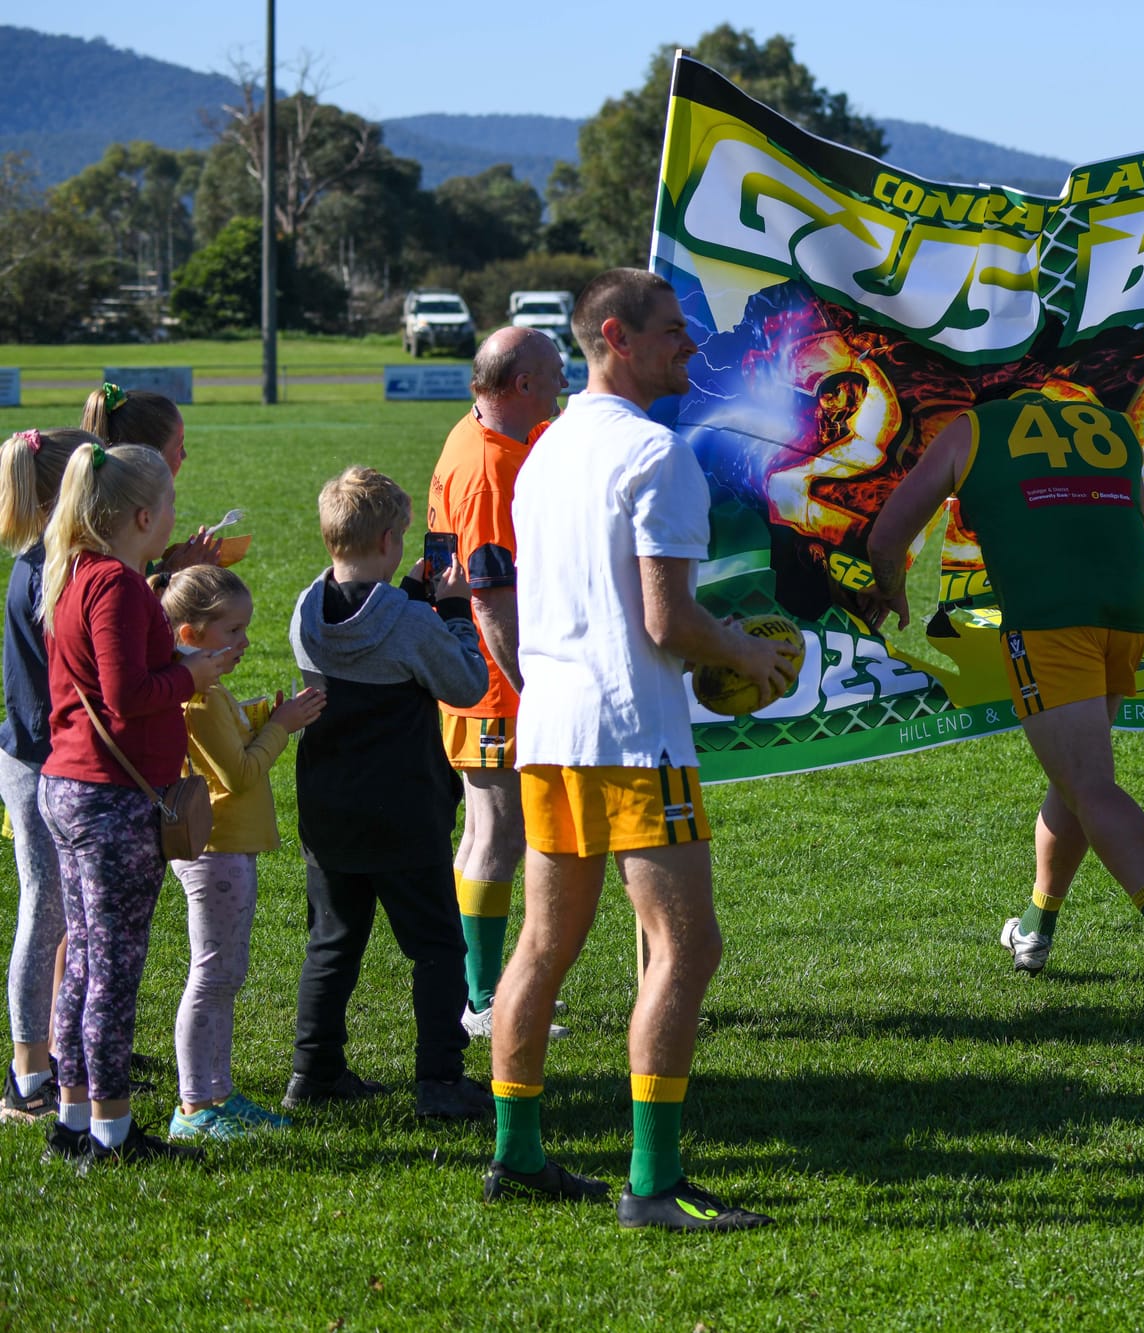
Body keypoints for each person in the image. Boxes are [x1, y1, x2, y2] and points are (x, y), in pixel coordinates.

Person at [485, 268, 795, 1230]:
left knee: (544, 943)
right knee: (686, 944)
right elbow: (667, 621)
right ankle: (652, 1186)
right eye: (671, 333)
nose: (689, 350)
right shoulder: (658, 455)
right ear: (614, 335)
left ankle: (518, 1156)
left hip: (548, 731)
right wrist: (747, 652)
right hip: (631, 735)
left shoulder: (542, 454)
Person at [864, 391, 1144, 1019]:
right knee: (1075, 779)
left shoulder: (973, 427)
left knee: (1088, 782)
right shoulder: (1109, 424)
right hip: (1129, 607)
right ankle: (1035, 927)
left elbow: (886, 537)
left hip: (1052, 617)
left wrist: (890, 591)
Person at [39, 442, 237, 1166]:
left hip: (69, 786)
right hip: (110, 798)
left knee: (88, 958)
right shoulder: (117, 586)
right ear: (145, 515)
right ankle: (113, 1130)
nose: (177, 519)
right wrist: (194, 674)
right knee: (113, 968)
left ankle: (72, 1114)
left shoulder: (75, 571)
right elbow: (126, 699)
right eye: (172, 509)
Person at [285, 466, 492, 1120]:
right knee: (435, 946)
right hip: (403, 808)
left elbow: (365, 630)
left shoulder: (304, 608)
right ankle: (439, 1079)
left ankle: (311, 1071)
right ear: (382, 539)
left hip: (328, 805)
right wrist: (454, 608)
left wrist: (409, 596)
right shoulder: (410, 621)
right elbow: (464, 683)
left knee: (333, 942)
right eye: (401, 537)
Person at [426, 327, 570, 1042]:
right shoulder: (487, 468)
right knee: (494, 832)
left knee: (490, 833)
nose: (565, 378)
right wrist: (530, 688)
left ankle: (484, 985)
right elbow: (488, 599)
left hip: (482, 673)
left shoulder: (495, 434)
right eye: (554, 371)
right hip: (490, 681)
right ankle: (482, 998)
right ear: (519, 386)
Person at [155, 566, 325, 1139]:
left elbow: (224, 741)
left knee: (223, 974)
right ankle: (196, 1106)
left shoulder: (204, 688)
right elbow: (240, 771)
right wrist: (281, 725)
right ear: (192, 632)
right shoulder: (198, 698)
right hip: (216, 851)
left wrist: (254, 716)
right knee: (212, 975)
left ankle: (217, 1095)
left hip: (225, 849)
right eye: (234, 629)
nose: (245, 641)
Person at [0, 428, 92, 1122]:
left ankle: (50, 1059)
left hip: (36, 755)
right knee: (44, 909)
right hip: (37, 760)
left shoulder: (45, 560)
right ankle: (27, 1073)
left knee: (54, 910)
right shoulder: (43, 571)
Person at [80, 383, 221, 571]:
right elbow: (127, 594)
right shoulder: (119, 531)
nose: (185, 456)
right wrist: (171, 577)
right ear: (150, 459)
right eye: (179, 447)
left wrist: (168, 570)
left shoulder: (104, 513)